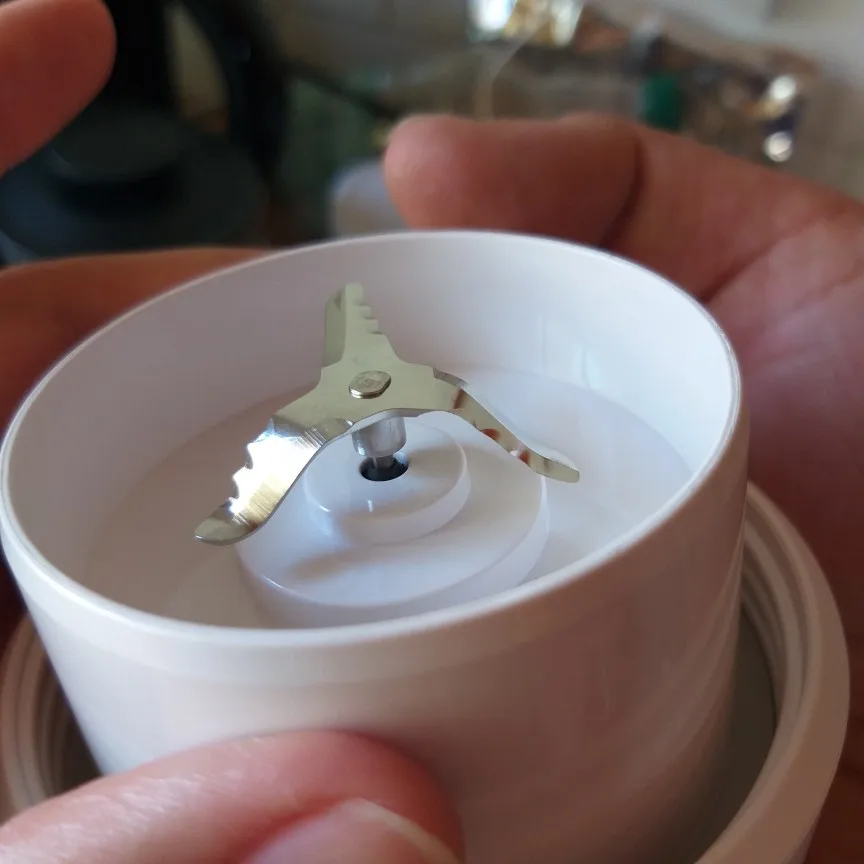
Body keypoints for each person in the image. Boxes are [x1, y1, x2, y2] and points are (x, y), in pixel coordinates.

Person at [0, 0, 859, 861]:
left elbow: (469, 423)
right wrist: (244, 518)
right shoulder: (339, 413)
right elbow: (292, 473)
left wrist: (533, 457)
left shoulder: (405, 396)